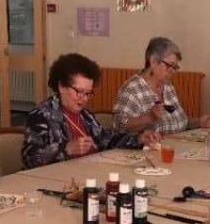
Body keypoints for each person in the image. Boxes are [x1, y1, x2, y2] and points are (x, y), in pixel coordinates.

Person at [21, 53, 159, 170]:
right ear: (61, 86)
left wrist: (139, 139)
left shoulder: (84, 116)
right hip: (57, 181)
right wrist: (66, 149)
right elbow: (30, 158)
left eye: (88, 93)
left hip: (90, 173)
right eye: (79, 92)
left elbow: (106, 140)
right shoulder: (41, 116)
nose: (84, 99)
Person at [112, 37, 210, 134]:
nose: (173, 71)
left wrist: (200, 122)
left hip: (174, 147)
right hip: (146, 152)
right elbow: (119, 126)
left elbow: (180, 122)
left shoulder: (168, 86)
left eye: (175, 67)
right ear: (153, 61)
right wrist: (150, 117)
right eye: (170, 66)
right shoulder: (132, 88)